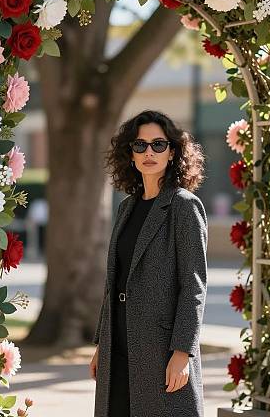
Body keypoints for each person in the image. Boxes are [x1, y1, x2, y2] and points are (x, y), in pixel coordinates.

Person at [89, 110, 208, 417]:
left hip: (161, 345)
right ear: (130, 154)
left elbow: (193, 286)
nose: (149, 152)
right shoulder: (127, 207)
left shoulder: (184, 206)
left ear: (172, 152)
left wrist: (183, 351)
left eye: (158, 144)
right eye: (140, 146)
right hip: (119, 339)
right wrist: (103, 343)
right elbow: (114, 281)